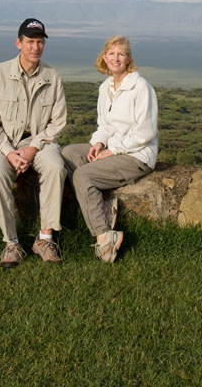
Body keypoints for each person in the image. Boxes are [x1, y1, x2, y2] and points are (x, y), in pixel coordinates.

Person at [62, 35, 158, 263]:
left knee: (83, 174)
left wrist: (111, 150)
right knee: (67, 154)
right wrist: (98, 144)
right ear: (104, 57)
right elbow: (104, 125)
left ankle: (104, 237)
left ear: (128, 59)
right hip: (114, 150)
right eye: (111, 54)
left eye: (121, 54)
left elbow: (145, 133)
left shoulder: (140, 87)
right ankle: (104, 208)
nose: (116, 58)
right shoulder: (105, 87)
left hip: (137, 155)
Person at [0, 18, 68, 268]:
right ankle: (11, 243)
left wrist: (33, 148)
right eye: (30, 42)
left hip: (40, 142)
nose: (35, 47)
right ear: (18, 43)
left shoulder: (53, 77)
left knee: (55, 167)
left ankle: (45, 238)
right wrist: (10, 153)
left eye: (40, 42)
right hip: (3, 143)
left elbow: (58, 121)